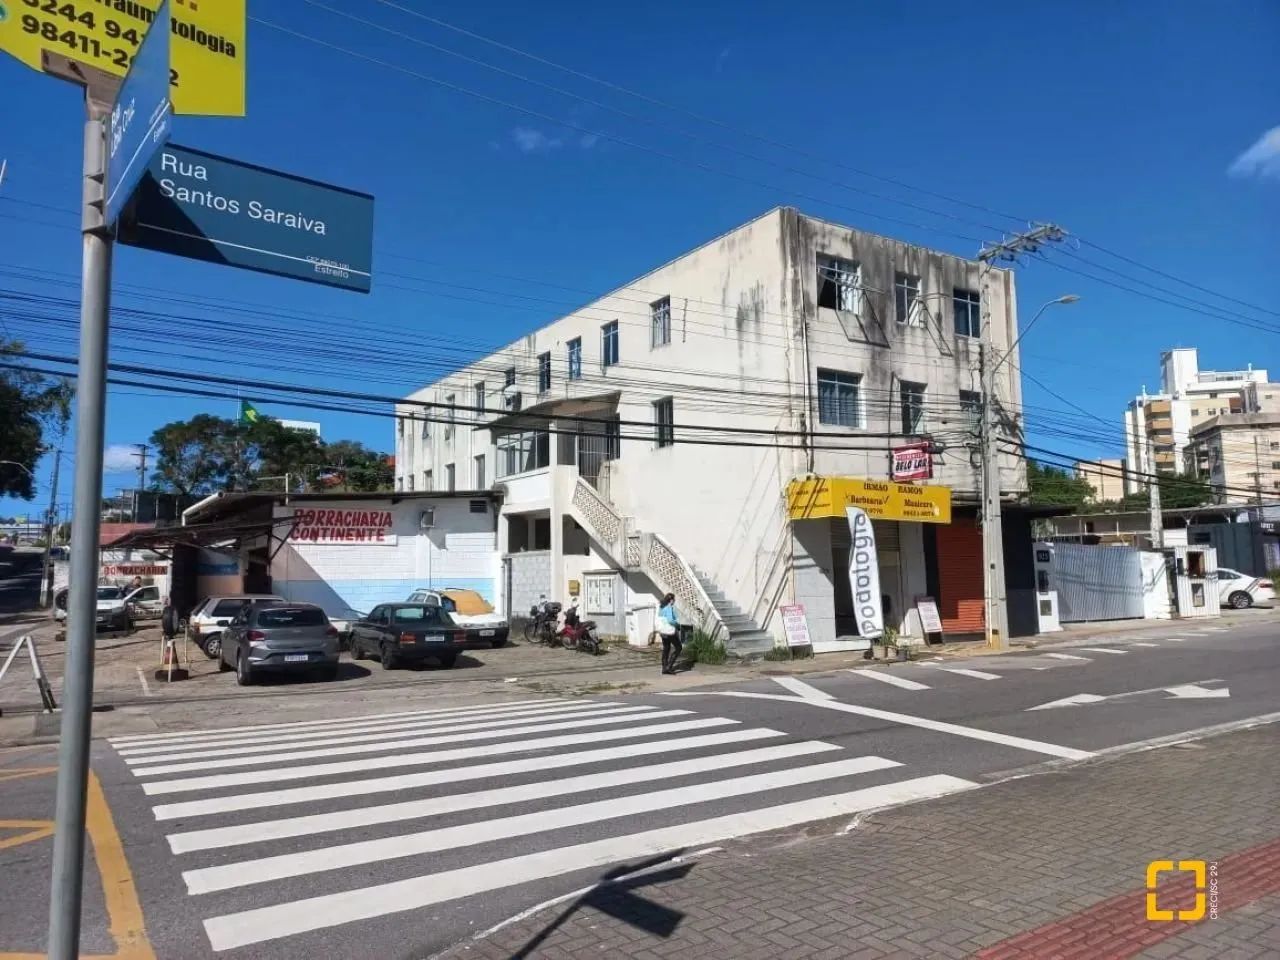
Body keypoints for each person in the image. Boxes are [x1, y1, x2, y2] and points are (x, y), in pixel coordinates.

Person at [657, 593, 682, 675]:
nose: (674, 601)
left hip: (663, 631)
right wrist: (677, 625)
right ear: (671, 600)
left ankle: (664, 668)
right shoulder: (668, 608)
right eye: (674, 600)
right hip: (669, 631)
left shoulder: (661, 607)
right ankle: (669, 667)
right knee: (678, 647)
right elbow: (670, 620)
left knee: (666, 648)